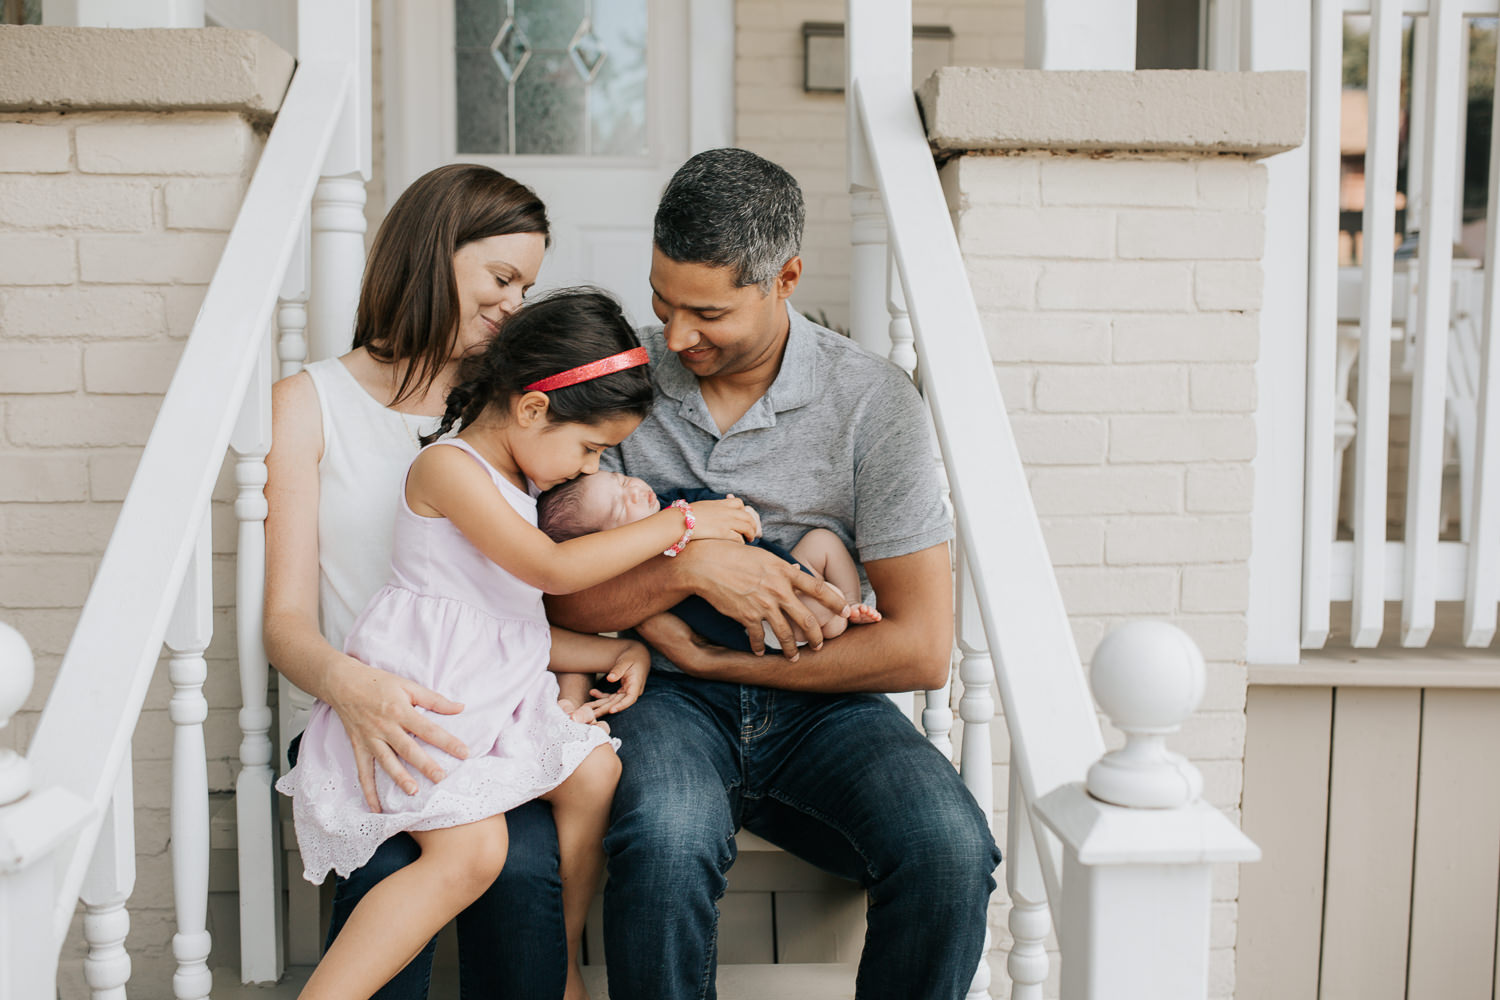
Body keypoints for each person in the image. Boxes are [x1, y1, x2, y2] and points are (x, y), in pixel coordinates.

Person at [547, 148, 1002, 1000]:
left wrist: (727, 660)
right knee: (667, 842)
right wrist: (697, 571)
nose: (677, 337)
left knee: (949, 848)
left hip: (823, 704)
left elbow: (920, 650)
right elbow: (558, 587)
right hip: (665, 699)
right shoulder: (621, 386)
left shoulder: (872, 402)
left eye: (708, 313)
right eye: (662, 301)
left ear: (785, 276)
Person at [276, 289, 761, 1000]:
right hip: (426, 703)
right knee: (474, 854)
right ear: (533, 408)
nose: (590, 468)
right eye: (590, 448)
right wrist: (683, 523)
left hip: (488, 694)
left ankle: (560, 958)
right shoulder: (449, 468)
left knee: (593, 772)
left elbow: (508, 631)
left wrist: (614, 653)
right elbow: (549, 570)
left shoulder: (518, 480)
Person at [264, 163, 576, 999]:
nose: (515, 305)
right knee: (389, 869)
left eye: (527, 287)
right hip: (359, 719)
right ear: (433, 255)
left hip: (486, 720)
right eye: (502, 278)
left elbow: (536, 579)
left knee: (521, 873)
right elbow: (285, 621)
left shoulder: (512, 410)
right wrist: (357, 692)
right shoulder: (309, 403)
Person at [537, 472, 881, 651]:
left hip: (788, 565)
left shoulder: (671, 504)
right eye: (619, 508)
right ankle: (839, 615)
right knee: (825, 619)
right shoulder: (636, 562)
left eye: (623, 481)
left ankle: (850, 603)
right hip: (757, 618)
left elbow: (708, 503)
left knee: (823, 541)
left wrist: (738, 510)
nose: (633, 491)